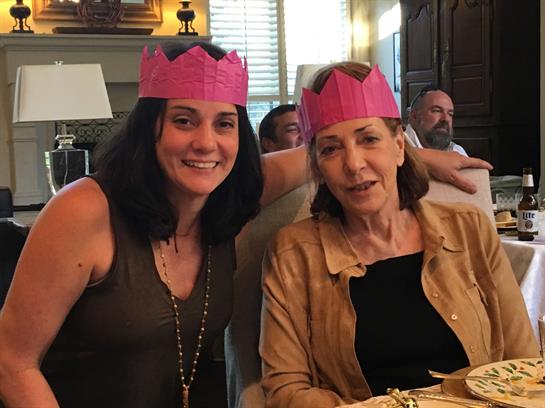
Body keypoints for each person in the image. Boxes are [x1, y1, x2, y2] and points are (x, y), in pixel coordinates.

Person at [0, 41, 308, 408]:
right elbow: (11, 361)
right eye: (184, 121)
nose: (206, 143)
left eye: (224, 124)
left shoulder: (232, 196)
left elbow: (318, 154)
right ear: (149, 129)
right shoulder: (83, 209)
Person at [259, 62, 539, 407]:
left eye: (369, 139)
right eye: (331, 149)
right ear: (317, 166)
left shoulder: (469, 228)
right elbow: (286, 391)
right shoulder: (293, 253)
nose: (354, 164)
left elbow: (522, 361)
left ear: (399, 146)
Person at [406, 85, 468, 156]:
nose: (446, 119)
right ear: (414, 116)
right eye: (437, 111)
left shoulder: (457, 151)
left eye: (450, 114)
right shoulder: (398, 150)